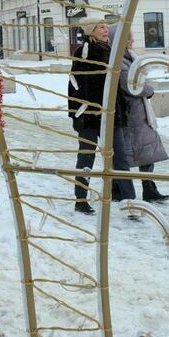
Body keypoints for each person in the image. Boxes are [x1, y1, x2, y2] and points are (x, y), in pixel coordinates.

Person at [109, 28, 169, 208]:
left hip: (139, 112)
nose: (132, 42)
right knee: (128, 153)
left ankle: (146, 187)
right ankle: (125, 189)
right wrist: (149, 89)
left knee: (144, 151)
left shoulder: (128, 57)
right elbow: (132, 84)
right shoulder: (120, 61)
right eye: (129, 39)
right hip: (132, 113)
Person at [68, 21, 110, 215]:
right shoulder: (84, 51)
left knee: (114, 154)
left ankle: (116, 193)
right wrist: (78, 112)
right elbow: (75, 83)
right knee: (87, 155)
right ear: (91, 31)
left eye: (106, 26)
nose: (105, 29)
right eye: (101, 26)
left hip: (108, 113)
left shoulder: (108, 49)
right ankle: (81, 198)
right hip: (89, 115)